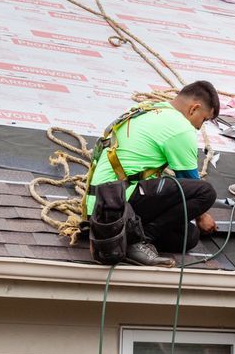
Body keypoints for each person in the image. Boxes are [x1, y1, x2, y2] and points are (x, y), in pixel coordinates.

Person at [87, 81, 219, 266]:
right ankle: (136, 240)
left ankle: (123, 235)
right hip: (118, 202)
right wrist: (203, 216)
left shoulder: (147, 109)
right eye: (204, 119)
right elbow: (189, 181)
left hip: (100, 207)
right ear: (194, 108)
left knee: (188, 236)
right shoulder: (180, 127)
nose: (199, 127)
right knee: (206, 192)